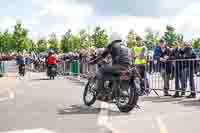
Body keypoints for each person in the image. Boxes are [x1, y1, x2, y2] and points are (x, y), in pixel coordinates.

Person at [89, 32, 137, 99]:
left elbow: (102, 56)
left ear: (112, 38)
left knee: (100, 70)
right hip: (128, 67)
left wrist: (93, 62)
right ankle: (112, 91)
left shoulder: (112, 45)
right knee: (111, 73)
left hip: (118, 67)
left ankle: (102, 93)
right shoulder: (126, 47)